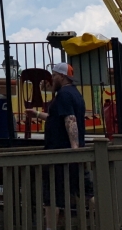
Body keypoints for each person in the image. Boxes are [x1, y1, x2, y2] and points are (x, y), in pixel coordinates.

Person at [25, 62, 91, 230]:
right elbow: (59, 118)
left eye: (54, 76)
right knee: (84, 190)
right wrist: (37, 114)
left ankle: (50, 228)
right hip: (70, 153)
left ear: (62, 77)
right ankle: (104, 221)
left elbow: (70, 120)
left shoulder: (63, 95)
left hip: (60, 154)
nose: (51, 79)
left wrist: (74, 149)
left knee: (52, 196)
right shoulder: (75, 94)